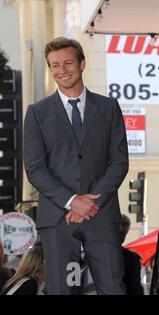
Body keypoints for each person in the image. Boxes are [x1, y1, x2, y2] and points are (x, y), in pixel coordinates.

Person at [23, 37, 129, 295]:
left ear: (82, 63)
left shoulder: (108, 108)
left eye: (68, 62)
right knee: (63, 290)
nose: (62, 70)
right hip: (58, 219)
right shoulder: (38, 112)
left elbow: (119, 161)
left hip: (100, 216)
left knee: (113, 287)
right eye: (55, 65)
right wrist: (72, 201)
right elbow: (35, 168)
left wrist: (91, 202)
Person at [118, 214, 144, 295]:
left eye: (123, 233)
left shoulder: (133, 258)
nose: (120, 236)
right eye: (119, 232)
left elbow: (136, 288)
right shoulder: (133, 258)